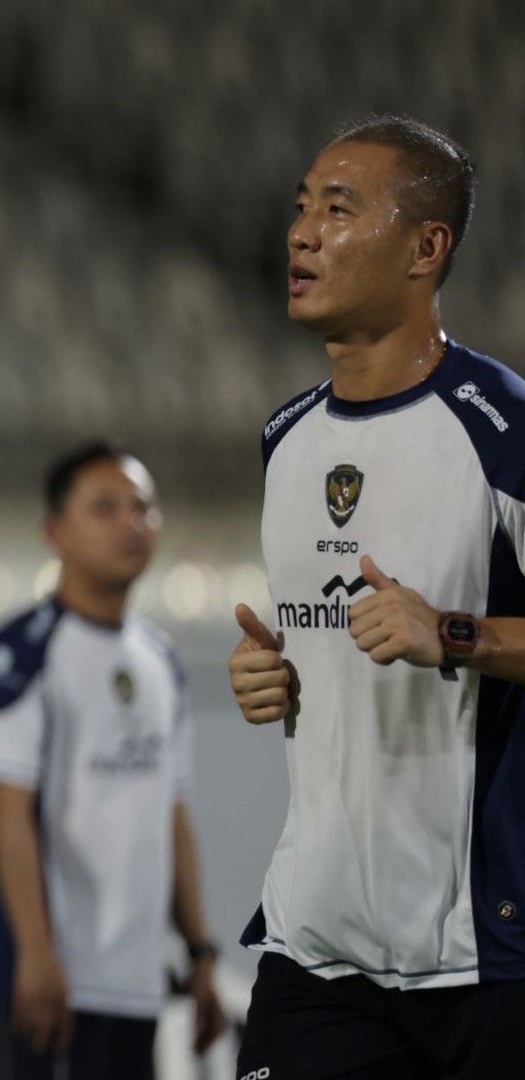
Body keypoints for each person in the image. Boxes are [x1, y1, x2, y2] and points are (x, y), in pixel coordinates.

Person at [230, 115, 525, 1079]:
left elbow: (446, 637)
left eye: (339, 208)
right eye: (301, 207)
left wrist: (456, 634)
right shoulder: (287, 441)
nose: (302, 232)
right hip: (316, 947)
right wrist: (269, 676)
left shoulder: (501, 431)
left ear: (425, 248)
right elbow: (318, 641)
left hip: (482, 961)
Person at [0, 443, 222, 1080]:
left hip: (135, 977)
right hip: (50, 977)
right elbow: (6, 813)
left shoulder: (161, 659)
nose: (131, 524)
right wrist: (35, 954)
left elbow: (173, 810)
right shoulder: (23, 652)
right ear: (57, 532)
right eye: (104, 508)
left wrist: (201, 952)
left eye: (143, 508)